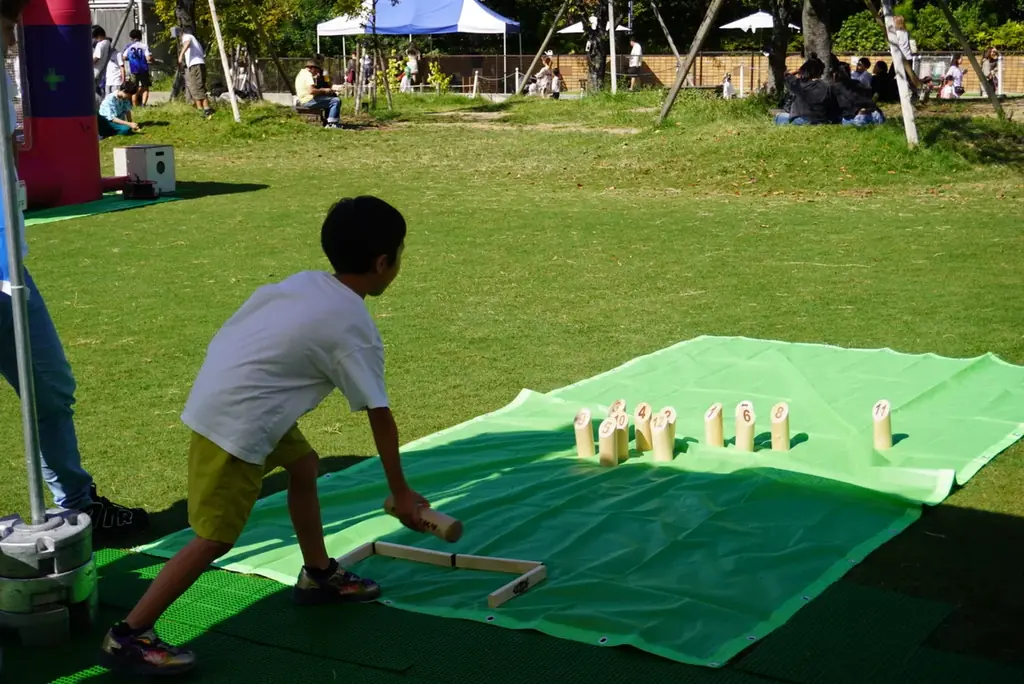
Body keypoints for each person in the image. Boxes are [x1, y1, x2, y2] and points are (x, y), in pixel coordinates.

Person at [98, 196, 429, 676]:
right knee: (214, 537)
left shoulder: (309, 283)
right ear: (383, 263)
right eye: (400, 254)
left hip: (244, 400)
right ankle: (128, 635)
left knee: (304, 466)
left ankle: (318, 575)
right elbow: (380, 416)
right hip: (239, 423)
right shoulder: (353, 327)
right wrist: (400, 493)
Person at [0, 0, 149, 541]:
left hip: (8, 264)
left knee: (50, 386)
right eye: (7, 25)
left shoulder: (4, 73)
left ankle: (74, 508)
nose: (15, 37)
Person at [773, 58, 831, 126]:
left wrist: (797, 71)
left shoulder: (797, 84)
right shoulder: (825, 86)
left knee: (779, 116)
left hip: (801, 120)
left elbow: (786, 75)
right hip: (820, 120)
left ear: (803, 71)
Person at [177, 29, 213, 119]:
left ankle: (206, 110)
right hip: (196, 65)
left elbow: (187, 43)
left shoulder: (187, 36)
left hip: (195, 65)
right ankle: (200, 109)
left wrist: (181, 55)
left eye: (178, 37)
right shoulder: (194, 40)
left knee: (197, 87)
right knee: (195, 87)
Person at [295, 60, 340, 129]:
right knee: (335, 101)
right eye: (316, 71)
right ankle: (332, 124)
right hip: (308, 100)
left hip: (303, 99)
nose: (316, 73)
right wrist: (324, 90)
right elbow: (312, 91)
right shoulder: (308, 75)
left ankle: (328, 121)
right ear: (311, 68)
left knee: (329, 99)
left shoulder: (301, 73)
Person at [122, 29, 153, 106]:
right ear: (140, 37)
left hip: (133, 70)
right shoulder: (144, 46)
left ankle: (134, 105)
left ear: (131, 38)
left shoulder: (129, 46)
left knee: (133, 88)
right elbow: (148, 58)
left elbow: (124, 57)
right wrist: (153, 60)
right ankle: (143, 104)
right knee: (145, 87)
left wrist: (131, 59)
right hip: (143, 69)